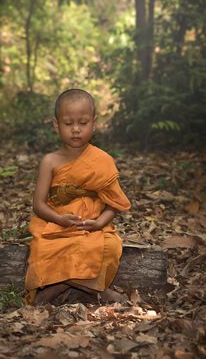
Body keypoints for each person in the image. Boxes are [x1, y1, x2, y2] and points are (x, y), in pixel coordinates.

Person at [24, 88, 131, 305]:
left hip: (91, 227)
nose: (75, 130)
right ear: (56, 125)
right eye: (68, 123)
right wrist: (59, 219)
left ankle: (59, 287)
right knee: (43, 248)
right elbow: (38, 204)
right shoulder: (50, 161)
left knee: (110, 247)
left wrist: (99, 223)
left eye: (83, 123)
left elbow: (115, 202)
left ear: (94, 123)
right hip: (57, 225)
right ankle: (96, 291)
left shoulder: (102, 160)